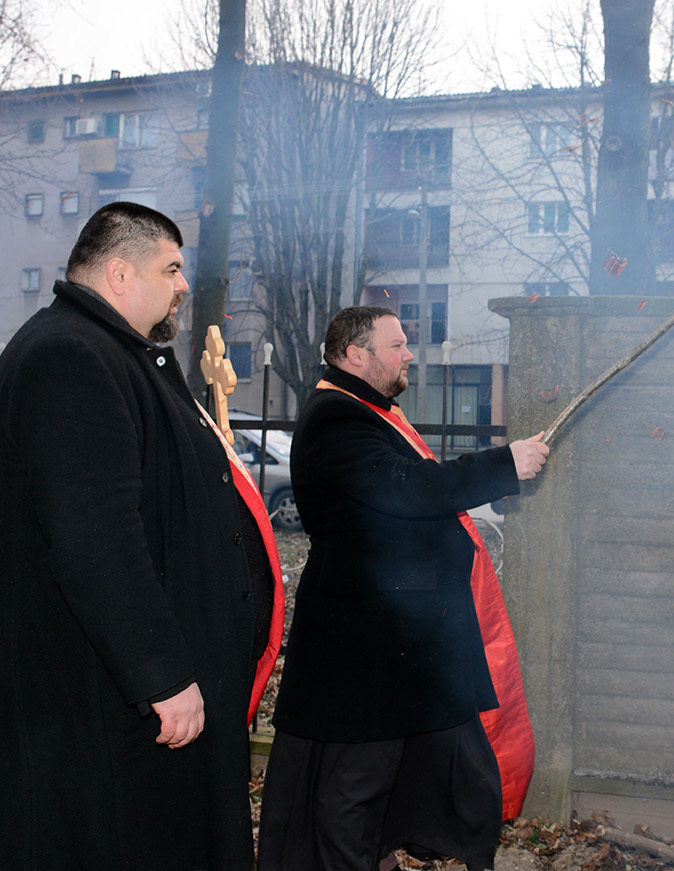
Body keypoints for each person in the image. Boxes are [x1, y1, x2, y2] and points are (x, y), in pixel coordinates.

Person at [0, 202, 285, 870]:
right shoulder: (70, 356)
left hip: (121, 709)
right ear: (120, 274)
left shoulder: (118, 353)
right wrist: (163, 671)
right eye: (171, 267)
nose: (183, 284)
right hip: (90, 707)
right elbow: (95, 537)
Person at [257, 305, 550, 871]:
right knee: (353, 783)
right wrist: (504, 464)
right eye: (396, 345)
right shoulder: (335, 418)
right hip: (361, 642)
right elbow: (410, 490)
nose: (409, 354)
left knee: (421, 770)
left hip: (398, 634)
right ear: (354, 355)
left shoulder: (367, 411)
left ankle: (381, 853)